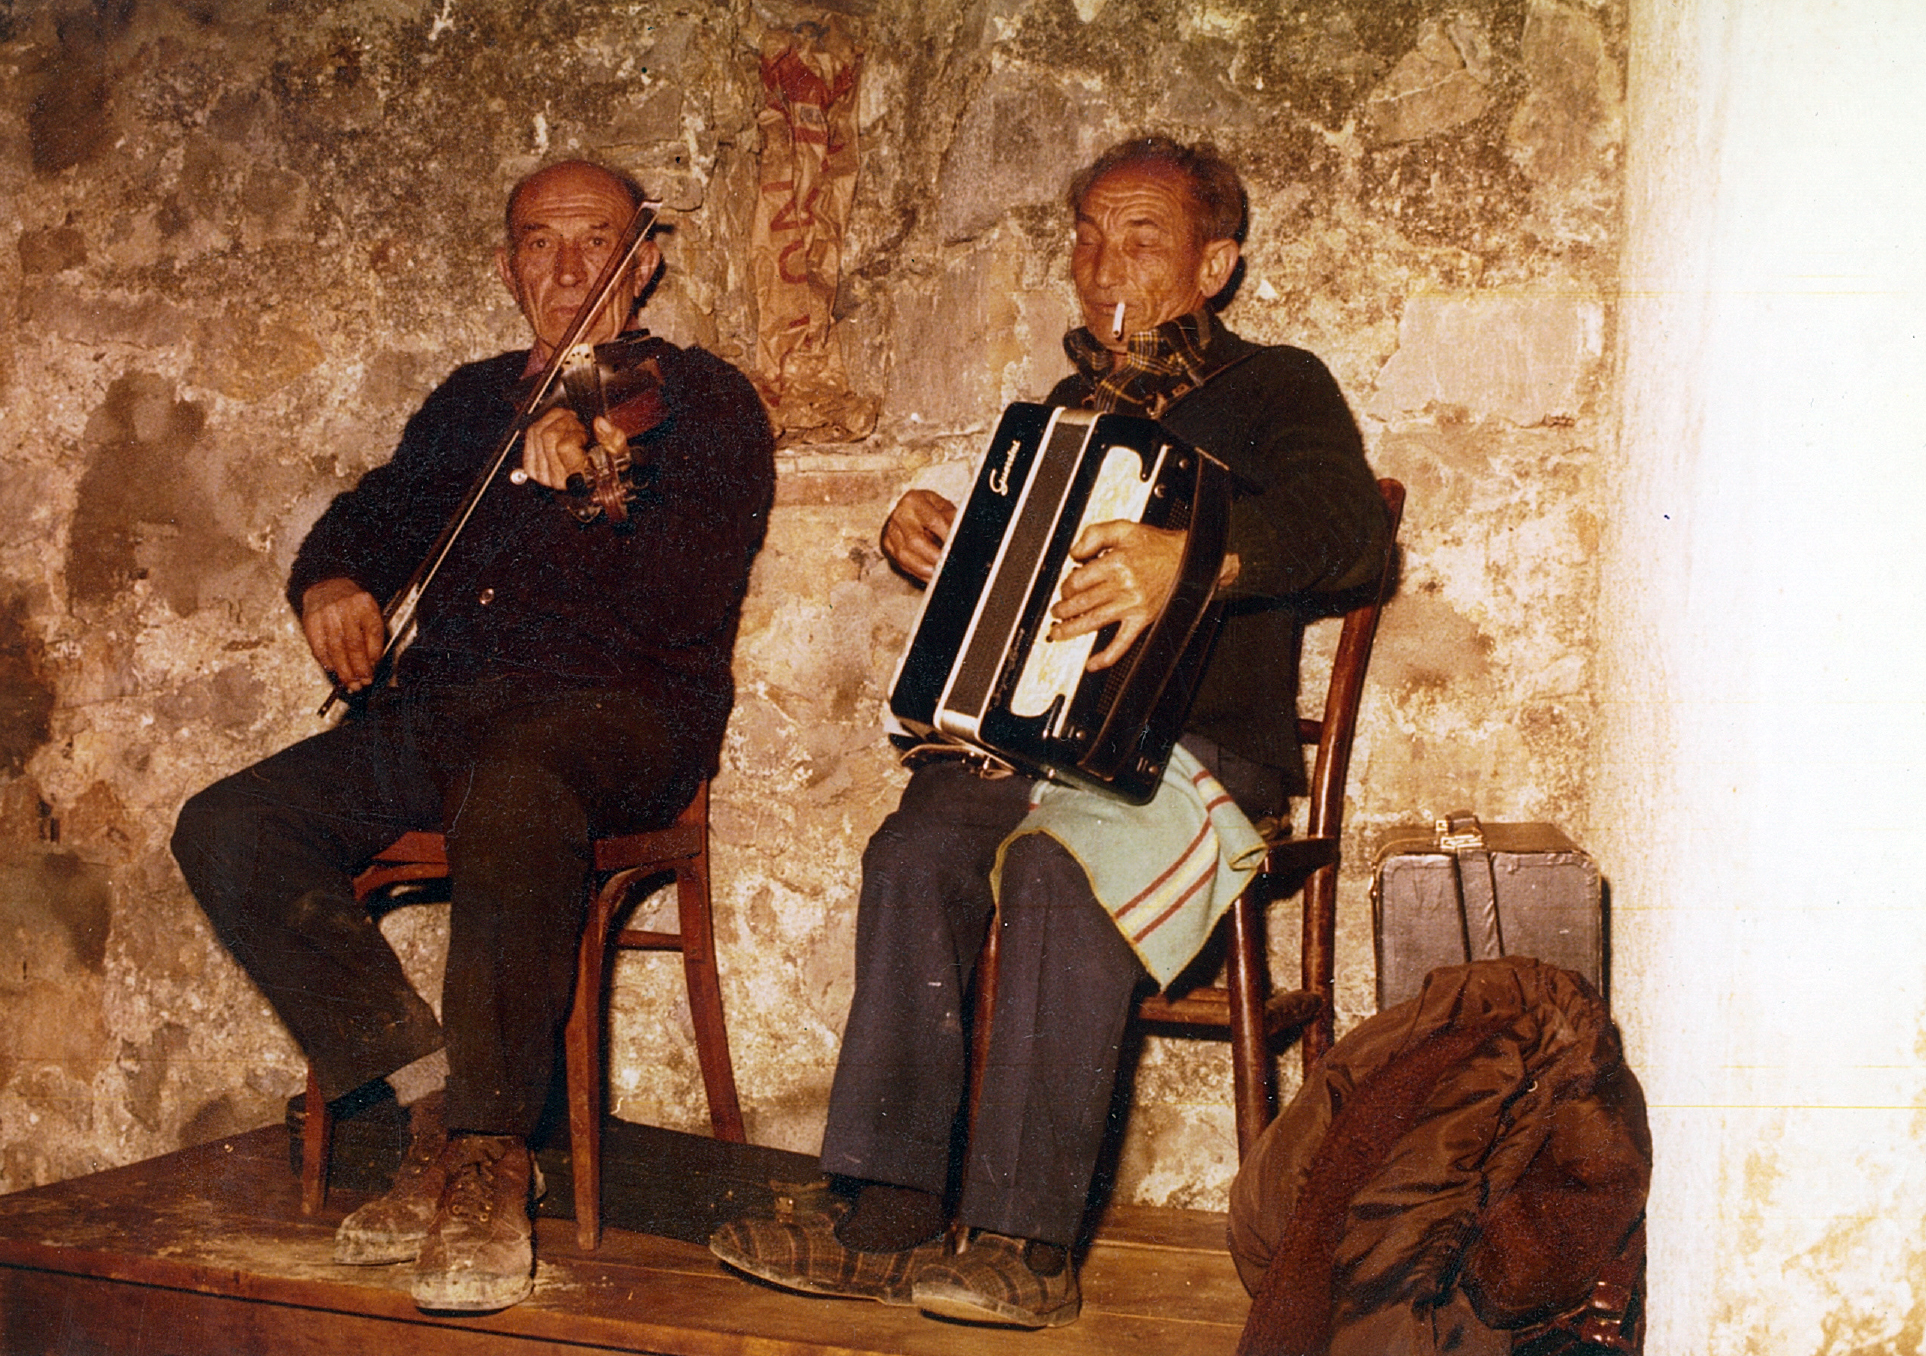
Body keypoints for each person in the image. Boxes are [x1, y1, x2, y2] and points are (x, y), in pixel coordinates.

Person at [708, 136, 1389, 1328]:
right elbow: (1016, 606)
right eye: (1086, 237)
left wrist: (1193, 558)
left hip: (1196, 756)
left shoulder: (1280, 386)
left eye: (1141, 237)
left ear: (1216, 265)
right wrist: (932, 533)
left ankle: (1024, 1242)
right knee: (914, 849)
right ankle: (884, 1218)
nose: (1101, 264)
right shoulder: (1070, 412)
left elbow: (1353, 533)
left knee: (1056, 867)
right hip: (1041, 747)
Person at [171, 160, 775, 1313]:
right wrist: (332, 581)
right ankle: (434, 1107)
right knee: (232, 825)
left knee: (516, 785)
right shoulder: (469, 403)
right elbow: (377, 513)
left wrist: (600, 470)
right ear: (507, 268)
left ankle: (493, 1160)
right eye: (539, 243)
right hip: (445, 713)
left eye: (596, 241)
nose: (568, 269)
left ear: (644, 260)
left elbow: (687, 601)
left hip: (623, 716)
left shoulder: (706, 405)